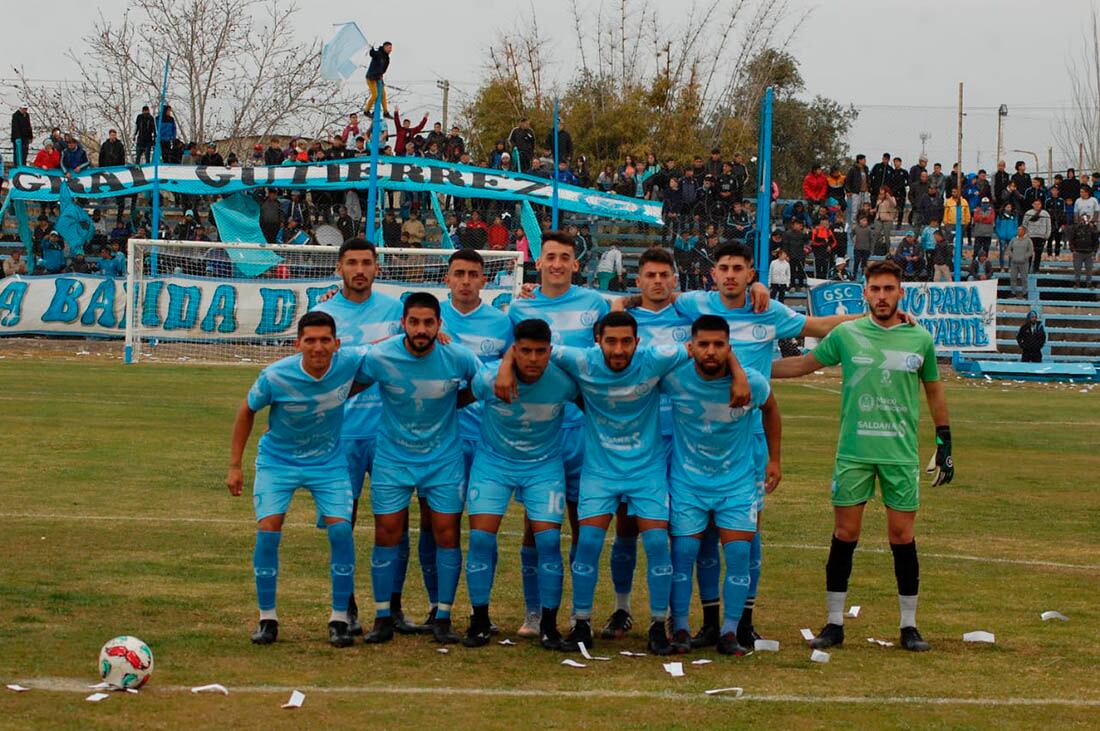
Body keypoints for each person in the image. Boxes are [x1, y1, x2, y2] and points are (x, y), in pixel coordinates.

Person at [618, 243, 858, 650]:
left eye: (739, 269)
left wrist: (873, 316)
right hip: (692, 435)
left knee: (747, 533)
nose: (730, 275)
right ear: (713, 274)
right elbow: (656, 295)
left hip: (749, 437)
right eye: (724, 268)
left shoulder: (770, 311)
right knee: (700, 535)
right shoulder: (695, 304)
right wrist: (621, 298)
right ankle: (710, 621)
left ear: (751, 273)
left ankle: (743, 621)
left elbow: (819, 328)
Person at [494, 310, 750, 655]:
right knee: (587, 544)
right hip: (600, 472)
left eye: (626, 341)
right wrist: (505, 365)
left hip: (647, 472)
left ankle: (658, 626)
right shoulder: (580, 359)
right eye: (610, 341)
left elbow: (709, 349)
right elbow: (531, 347)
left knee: (658, 544)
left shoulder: (657, 359)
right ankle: (581, 623)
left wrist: (738, 374)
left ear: (637, 342)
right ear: (597, 341)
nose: (618, 349)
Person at [771, 258, 954, 653]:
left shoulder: (919, 338)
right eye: (876, 289)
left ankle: (909, 626)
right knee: (844, 534)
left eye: (890, 289)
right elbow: (804, 364)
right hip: (854, 452)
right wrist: (750, 368)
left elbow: (935, 390)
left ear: (900, 292)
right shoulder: (848, 334)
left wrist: (945, 442)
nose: (883, 296)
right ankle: (834, 624)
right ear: (865, 293)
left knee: (902, 536)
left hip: (900, 454)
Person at [225, 311, 364, 648]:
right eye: (310, 340)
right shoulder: (275, 376)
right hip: (278, 462)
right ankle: (267, 618)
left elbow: (390, 349)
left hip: (328, 463)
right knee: (269, 530)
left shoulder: (349, 363)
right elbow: (246, 411)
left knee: (342, 530)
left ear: (336, 344)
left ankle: (339, 618)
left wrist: (442, 336)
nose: (318, 347)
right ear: (297, 343)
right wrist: (235, 465)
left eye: (325, 340)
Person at [356, 292, 481, 646]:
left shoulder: (458, 356)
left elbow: (485, 383)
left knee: (446, 534)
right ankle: (382, 617)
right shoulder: (381, 355)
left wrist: (454, 403)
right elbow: (349, 381)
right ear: (403, 324)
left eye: (429, 322)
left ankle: (442, 616)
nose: (422, 329)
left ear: (440, 325)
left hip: (443, 460)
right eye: (415, 322)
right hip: (393, 459)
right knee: (387, 534)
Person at [506, 230, 610, 636]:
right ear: (539, 262)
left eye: (565, 257)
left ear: (575, 263)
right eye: (550, 257)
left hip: (585, 429)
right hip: (540, 431)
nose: (557, 264)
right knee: (538, 526)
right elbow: (505, 356)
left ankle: (577, 612)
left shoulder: (595, 303)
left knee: (583, 525)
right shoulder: (520, 308)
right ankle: (535, 610)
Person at [666, 315, 781, 656]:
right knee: (683, 556)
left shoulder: (754, 382)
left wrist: (774, 460)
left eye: (719, 345)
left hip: (738, 483)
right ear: (691, 347)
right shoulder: (673, 377)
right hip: (687, 483)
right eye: (704, 344)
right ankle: (683, 629)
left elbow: (772, 411)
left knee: (738, 554)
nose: (711, 351)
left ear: (730, 348)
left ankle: (730, 632)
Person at [462, 318, 577, 648]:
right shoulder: (489, 378)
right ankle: (480, 620)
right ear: (514, 350)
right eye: (524, 351)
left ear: (550, 352)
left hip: (544, 468)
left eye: (540, 352)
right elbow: (454, 402)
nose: (533, 359)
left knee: (549, 543)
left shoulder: (564, 381)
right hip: (493, 465)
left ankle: (549, 624)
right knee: (481, 540)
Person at [311, 239, 405, 636]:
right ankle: (345, 607)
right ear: (339, 267)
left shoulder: (396, 310)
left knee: (393, 523)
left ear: (378, 268)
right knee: (341, 524)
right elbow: (313, 370)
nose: (360, 269)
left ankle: (392, 607)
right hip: (340, 435)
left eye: (367, 262)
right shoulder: (323, 313)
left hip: (388, 432)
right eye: (352, 263)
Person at [1067, 215, 1098, 288]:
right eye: (1082, 218)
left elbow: (1096, 241)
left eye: (1086, 218)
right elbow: (1071, 240)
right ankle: (1077, 283)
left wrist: (1094, 251)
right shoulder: (1075, 228)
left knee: (1089, 269)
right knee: (1077, 269)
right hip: (1078, 252)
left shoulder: (1093, 228)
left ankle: (1089, 284)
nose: (1084, 220)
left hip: (1089, 252)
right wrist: (1073, 250)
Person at [364, 42, 392, 118]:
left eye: (391, 48)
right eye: (389, 48)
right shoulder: (378, 53)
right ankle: (366, 111)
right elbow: (372, 54)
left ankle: (386, 112)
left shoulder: (387, 58)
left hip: (378, 78)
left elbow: (384, 69)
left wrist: (381, 75)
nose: (390, 50)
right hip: (371, 77)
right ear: (384, 47)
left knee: (383, 95)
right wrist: (371, 49)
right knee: (375, 95)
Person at [1023, 199, 1051, 273]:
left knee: (1038, 254)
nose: (1037, 206)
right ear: (1032, 204)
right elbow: (1024, 225)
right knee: (1029, 254)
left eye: (1038, 204)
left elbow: (1048, 225)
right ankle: (1027, 269)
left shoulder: (1045, 214)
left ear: (1041, 205)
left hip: (1041, 237)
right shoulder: (1028, 213)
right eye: (1035, 204)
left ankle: (1036, 269)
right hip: (1030, 236)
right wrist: (1025, 235)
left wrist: (1047, 235)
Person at [1007, 226, 1034, 298]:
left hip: (1024, 263)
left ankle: (1025, 293)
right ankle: (1012, 292)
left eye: (1020, 230)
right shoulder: (1013, 239)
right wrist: (1013, 256)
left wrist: (1024, 257)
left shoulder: (1028, 240)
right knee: (1013, 277)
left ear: (1024, 231)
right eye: (1018, 229)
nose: (1018, 231)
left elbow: (1031, 251)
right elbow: (1009, 249)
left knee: (1024, 278)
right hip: (1014, 262)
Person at [872, 187, 897, 256]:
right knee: (876, 234)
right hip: (878, 219)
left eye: (883, 193)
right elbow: (877, 208)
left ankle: (888, 251)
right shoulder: (879, 200)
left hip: (887, 219)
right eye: (880, 193)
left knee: (887, 236)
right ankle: (872, 250)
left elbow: (894, 205)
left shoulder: (892, 198)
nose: (881, 195)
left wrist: (888, 197)